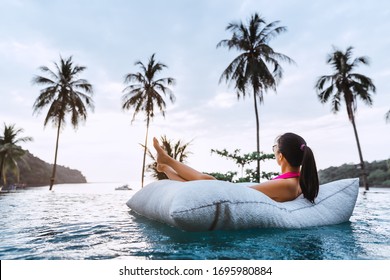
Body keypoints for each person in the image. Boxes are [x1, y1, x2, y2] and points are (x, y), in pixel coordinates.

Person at [153, 132, 319, 203]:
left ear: (281, 156)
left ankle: (167, 160)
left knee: (210, 182)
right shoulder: (296, 181)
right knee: (207, 183)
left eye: (274, 149)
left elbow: (247, 192)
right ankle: (166, 168)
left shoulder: (288, 184)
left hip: (237, 199)